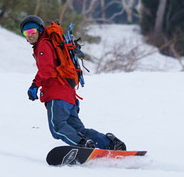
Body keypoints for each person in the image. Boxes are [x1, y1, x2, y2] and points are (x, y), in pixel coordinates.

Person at [21, 15, 127, 150]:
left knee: (58, 127)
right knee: (78, 129)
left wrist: (34, 85)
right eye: (26, 32)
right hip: (68, 95)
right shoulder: (51, 43)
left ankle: (82, 144)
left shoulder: (43, 44)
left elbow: (46, 70)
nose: (29, 35)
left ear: (40, 30)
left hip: (56, 94)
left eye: (32, 31)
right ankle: (110, 143)